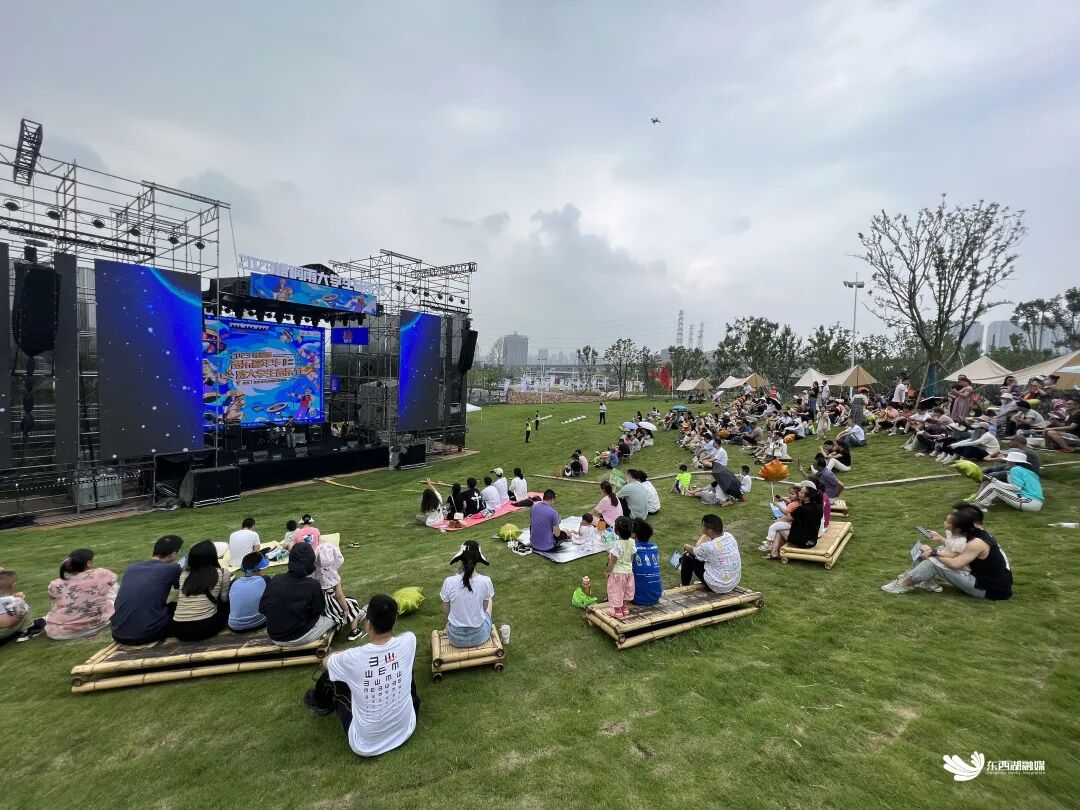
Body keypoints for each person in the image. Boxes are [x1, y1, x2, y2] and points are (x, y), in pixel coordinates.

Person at [305, 593, 419, 758]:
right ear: (394, 621)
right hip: (405, 728)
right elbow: (398, 643)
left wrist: (342, 653)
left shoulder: (353, 657)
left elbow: (326, 662)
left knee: (332, 677)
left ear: (368, 624)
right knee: (406, 666)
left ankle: (318, 702)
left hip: (365, 744)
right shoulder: (409, 640)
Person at [881, 504, 1012, 599]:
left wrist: (932, 552)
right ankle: (925, 581)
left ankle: (903, 584)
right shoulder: (980, 534)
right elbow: (958, 551)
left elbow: (956, 564)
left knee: (933, 561)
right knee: (938, 551)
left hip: (987, 589)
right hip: (992, 583)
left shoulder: (977, 542)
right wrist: (941, 541)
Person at [110, 535, 184, 646]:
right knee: (182, 608)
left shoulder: (132, 568)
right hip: (146, 634)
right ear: (173, 554)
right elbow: (184, 588)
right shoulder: (172, 568)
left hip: (118, 633)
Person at [261, 543, 335, 646]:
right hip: (298, 636)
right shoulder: (312, 585)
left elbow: (263, 608)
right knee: (335, 616)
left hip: (274, 636)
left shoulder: (276, 579)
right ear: (311, 561)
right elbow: (318, 611)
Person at [44, 549, 118, 640]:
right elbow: (113, 581)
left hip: (60, 633)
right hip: (99, 624)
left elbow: (51, 596)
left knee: (58, 597)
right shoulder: (102, 574)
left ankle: (73, 617)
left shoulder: (57, 584)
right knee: (111, 586)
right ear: (88, 563)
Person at [168, 540, 230, 642]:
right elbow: (224, 599)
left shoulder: (184, 575)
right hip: (205, 627)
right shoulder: (222, 573)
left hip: (179, 630)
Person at [440, 541, 494, 647]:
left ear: (460, 559)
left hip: (454, 639)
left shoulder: (449, 581)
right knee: (489, 599)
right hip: (479, 638)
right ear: (478, 560)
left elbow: (446, 610)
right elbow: (485, 607)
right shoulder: (486, 581)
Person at [315, 543, 365, 641]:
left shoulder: (313, 574)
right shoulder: (333, 578)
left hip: (320, 607)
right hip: (330, 607)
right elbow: (339, 596)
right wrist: (345, 609)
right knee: (352, 603)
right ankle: (354, 631)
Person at [680, 514, 741, 593]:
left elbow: (693, 550)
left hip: (718, 586)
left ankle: (684, 585)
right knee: (706, 557)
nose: (703, 530)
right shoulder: (730, 536)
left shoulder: (709, 547)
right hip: (733, 582)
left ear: (710, 531)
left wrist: (685, 546)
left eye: (704, 527)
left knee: (688, 556)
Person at [971, 451, 1043, 512]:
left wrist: (994, 480)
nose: (1007, 462)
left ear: (1013, 462)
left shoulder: (1015, 469)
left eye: (1009, 461)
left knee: (993, 487)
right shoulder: (1027, 471)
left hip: (1030, 501)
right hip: (1034, 502)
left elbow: (1016, 487)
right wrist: (994, 481)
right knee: (995, 485)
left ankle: (976, 506)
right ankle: (980, 503)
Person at [766, 486, 823, 560]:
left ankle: (773, 552)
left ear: (807, 498)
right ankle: (774, 552)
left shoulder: (802, 508)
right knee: (784, 528)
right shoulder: (817, 507)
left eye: (801, 492)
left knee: (778, 529)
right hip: (812, 541)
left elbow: (788, 517)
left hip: (802, 541)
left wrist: (778, 518)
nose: (799, 493)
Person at [229, 552, 271, 633]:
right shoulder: (265, 580)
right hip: (258, 623)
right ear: (258, 568)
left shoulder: (234, 583)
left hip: (234, 626)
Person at [605, 517, 637, 618]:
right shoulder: (632, 542)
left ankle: (617, 611)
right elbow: (632, 556)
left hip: (618, 573)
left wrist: (607, 571)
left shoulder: (617, 544)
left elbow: (613, 560)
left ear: (617, 531)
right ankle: (625, 607)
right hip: (628, 572)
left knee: (616, 591)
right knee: (627, 589)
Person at [0, 571, 44, 644]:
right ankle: (28, 630)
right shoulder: (9, 600)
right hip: (2, 632)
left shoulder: (7, 599)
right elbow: (2, 622)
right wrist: (17, 618)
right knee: (24, 609)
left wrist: (14, 596)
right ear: (13, 585)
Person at [630, 519, 662, 607]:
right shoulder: (654, 547)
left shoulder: (632, 548)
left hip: (638, 598)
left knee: (616, 570)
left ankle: (615, 598)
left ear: (634, 534)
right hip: (656, 596)